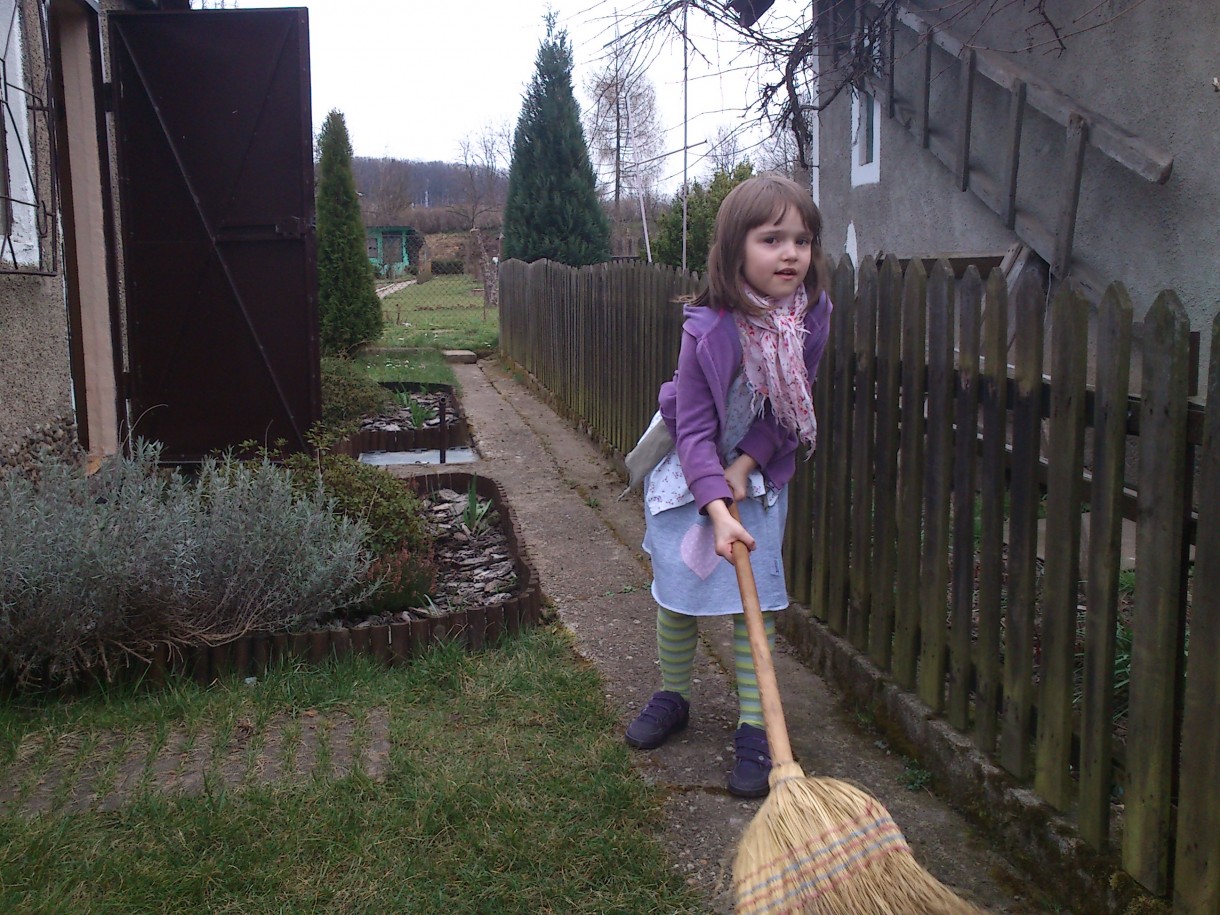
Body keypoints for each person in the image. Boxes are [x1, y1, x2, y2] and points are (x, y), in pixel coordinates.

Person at [624, 174, 832, 798]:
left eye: (803, 239)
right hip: (687, 469)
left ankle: (753, 726)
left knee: (757, 600)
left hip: (756, 468)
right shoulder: (708, 327)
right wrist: (716, 505)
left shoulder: (811, 317)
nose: (792, 253)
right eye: (773, 239)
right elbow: (691, 427)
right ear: (736, 247)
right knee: (680, 590)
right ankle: (674, 694)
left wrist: (744, 469)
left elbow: (788, 413)